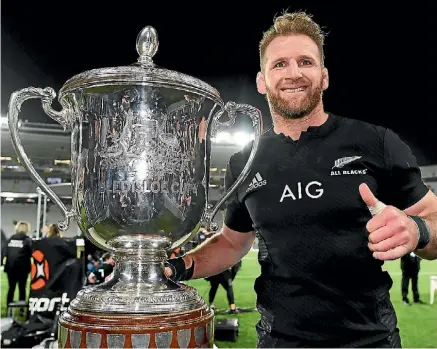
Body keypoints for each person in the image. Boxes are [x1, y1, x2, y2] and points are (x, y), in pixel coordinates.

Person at [165, 10, 437, 348]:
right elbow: (234, 242)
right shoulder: (245, 160)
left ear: (324, 77)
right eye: (279, 64)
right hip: (280, 342)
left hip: (369, 341)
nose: (293, 73)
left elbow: (433, 217)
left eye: (305, 62)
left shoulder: (376, 142)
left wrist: (417, 230)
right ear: (262, 81)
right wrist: (177, 267)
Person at [4, 221, 32, 307]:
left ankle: (8, 307)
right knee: (22, 288)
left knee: (11, 288)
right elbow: (32, 253)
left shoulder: (10, 239)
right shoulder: (27, 240)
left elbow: (4, 252)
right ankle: (22, 309)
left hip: (10, 267)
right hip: (23, 268)